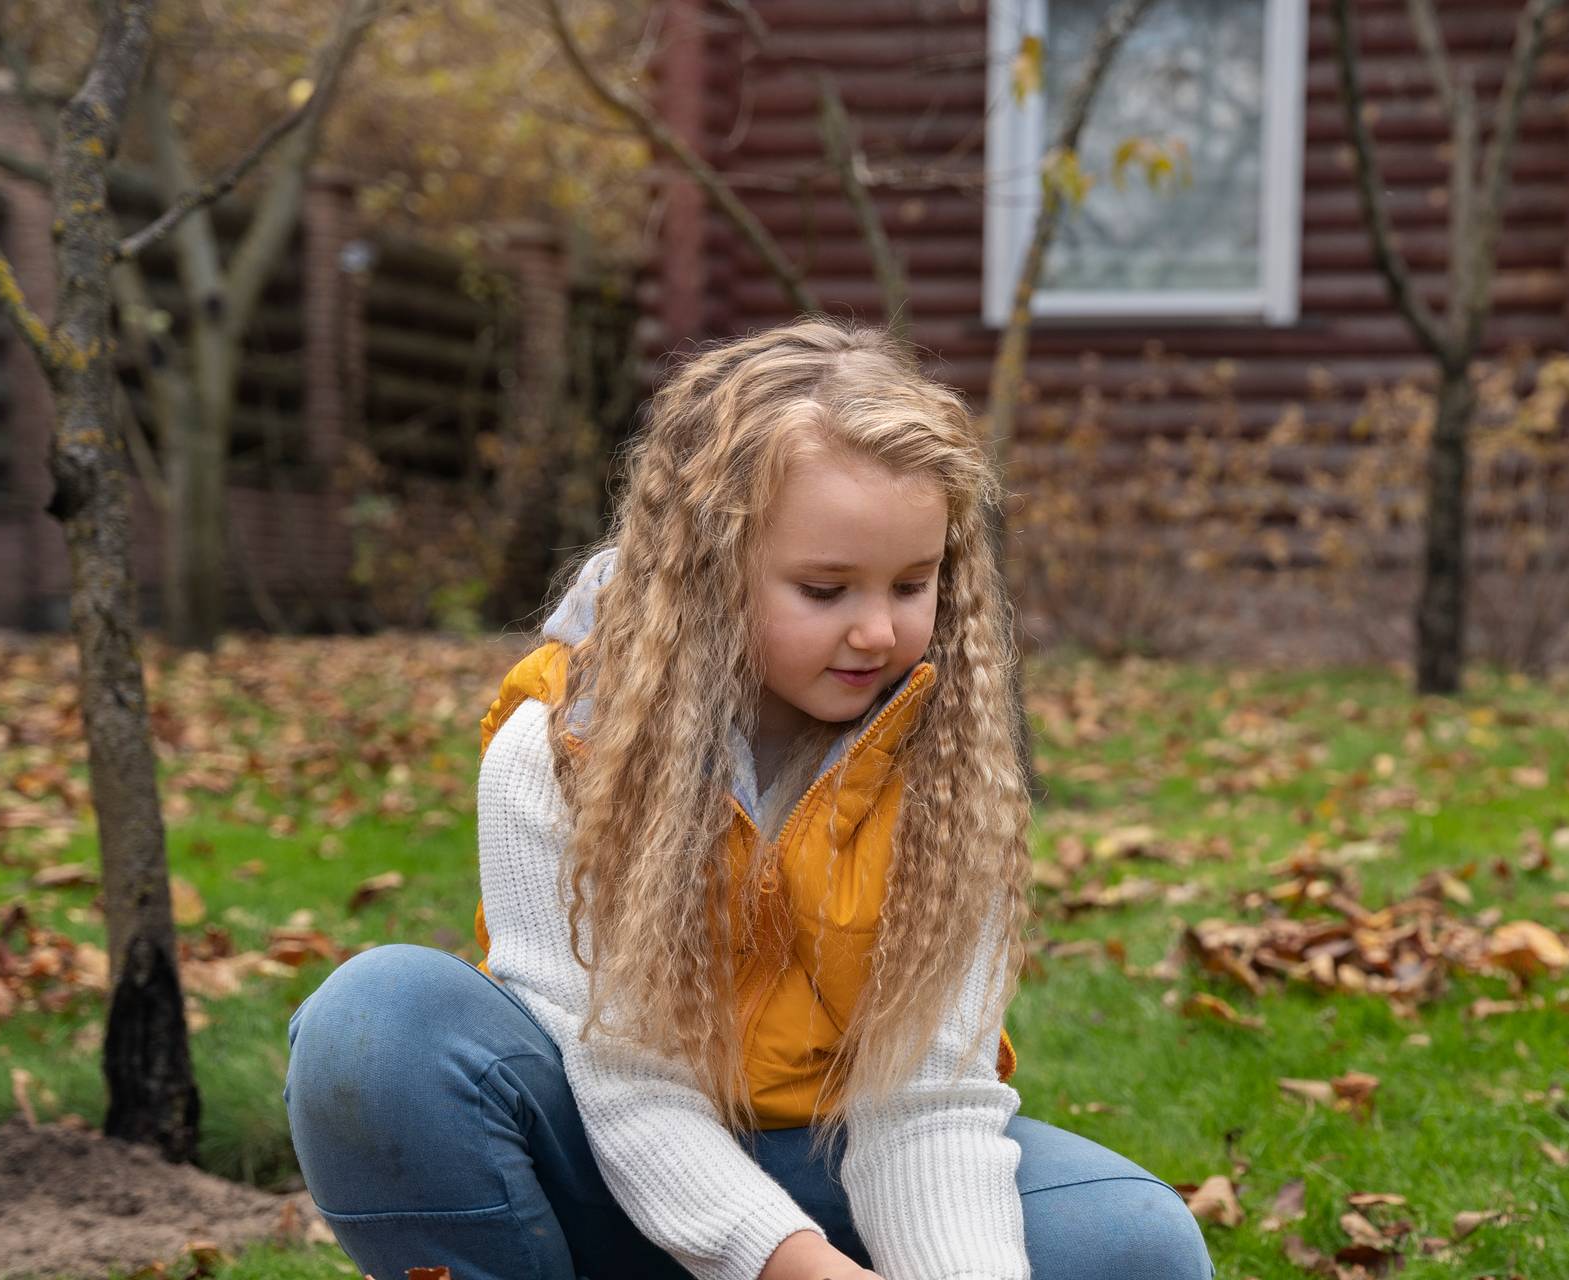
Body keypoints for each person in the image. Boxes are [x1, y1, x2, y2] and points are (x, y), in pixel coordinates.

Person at [284, 321, 1211, 1280]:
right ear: (707, 568)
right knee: (379, 1027)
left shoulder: (948, 768)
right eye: (825, 590)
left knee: (1133, 1244)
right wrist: (796, 1270)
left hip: (825, 1166)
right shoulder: (560, 748)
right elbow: (626, 1080)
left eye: (912, 583)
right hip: (595, 1169)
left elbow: (925, 1105)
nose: (878, 631)